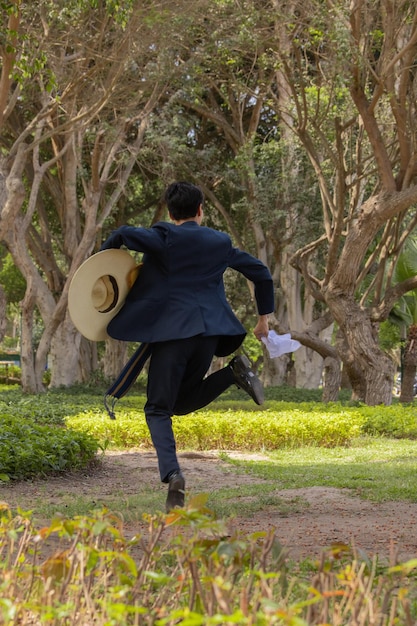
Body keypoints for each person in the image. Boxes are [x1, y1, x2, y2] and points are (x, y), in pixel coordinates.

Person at [100, 181, 274, 512]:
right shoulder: (220, 242)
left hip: (172, 334)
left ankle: (173, 475)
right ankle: (234, 372)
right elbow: (261, 273)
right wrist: (263, 319)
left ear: (169, 211)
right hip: (209, 335)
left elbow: (122, 232)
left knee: (157, 409)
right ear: (200, 211)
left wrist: (96, 265)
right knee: (178, 404)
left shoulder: (164, 236)